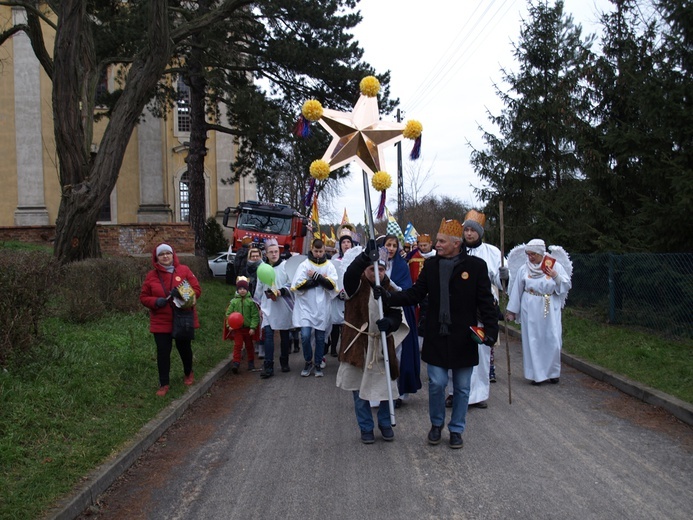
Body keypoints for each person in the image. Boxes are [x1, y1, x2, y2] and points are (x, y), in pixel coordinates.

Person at [376, 218, 499, 449]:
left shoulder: (475, 267)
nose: (437, 245)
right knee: (437, 383)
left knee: (462, 387)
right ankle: (436, 424)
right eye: (438, 241)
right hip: (436, 336)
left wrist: (491, 331)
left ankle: (456, 429)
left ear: (456, 243)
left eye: (441, 241)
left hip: (463, 338)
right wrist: (388, 295)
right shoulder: (431, 266)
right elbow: (415, 294)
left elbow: (485, 303)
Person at [336, 247, 409, 444]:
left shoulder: (390, 289)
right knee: (359, 390)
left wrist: (391, 324)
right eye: (372, 269)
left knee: (386, 388)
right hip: (358, 344)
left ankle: (385, 423)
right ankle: (366, 427)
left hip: (381, 344)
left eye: (382, 270)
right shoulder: (355, 284)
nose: (377, 273)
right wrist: (364, 257)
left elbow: (396, 314)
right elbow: (350, 273)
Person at [445, 210, 508, 409]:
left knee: (480, 352)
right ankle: (454, 392)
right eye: (467, 230)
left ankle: (479, 394)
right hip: (459, 308)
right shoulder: (456, 249)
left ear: (480, 233)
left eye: (473, 230)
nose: (469, 234)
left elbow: (502, 283)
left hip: (482, 308)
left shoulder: (493, 252)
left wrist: (504, 276)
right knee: (456, 350)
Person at [506, 239, 571, 385]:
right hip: (530, 305)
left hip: (548, 303)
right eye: (528, 254)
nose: (530, 257)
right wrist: (512, 311)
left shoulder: (556, 266)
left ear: (541, 253)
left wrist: (556, 276)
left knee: (551, 337)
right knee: (533, 339)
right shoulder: (525, 269)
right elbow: (517, 290)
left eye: (533, 254)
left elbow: (567, 285)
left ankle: (553, 372)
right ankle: (537, 374)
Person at [140, 243, 202, 397]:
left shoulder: (184, 270)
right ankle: (164, 383)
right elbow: (143, 297)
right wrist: (155, 302)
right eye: (162, 254)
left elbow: (197, 291)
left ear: (173, 254)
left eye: (168, 253)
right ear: (156, 258)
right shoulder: (151, 276)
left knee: (184, 348)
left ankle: (188, 372)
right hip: (161, 320)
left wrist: (182, 292)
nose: (165, 256)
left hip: (182, 317)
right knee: (163, 352)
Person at [382, 234, 421, 406]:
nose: (390, 248)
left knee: (398, 351)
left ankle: (397, 391)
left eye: (394, 245)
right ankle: (382, 390)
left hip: (399, 312)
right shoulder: (376, 265)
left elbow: (405, 289)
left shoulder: (402, 266)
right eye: (388, 245)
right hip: (380, 312)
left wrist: (387, 284)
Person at [291, 238, 338, 377]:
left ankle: (317, 364)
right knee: (305, 336)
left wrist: (315, 276)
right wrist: (320, 280)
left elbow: (332, 285)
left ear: (324, 251)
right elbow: (297, 285)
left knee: (319, 338)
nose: (318, 254)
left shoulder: (329, 266)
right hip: (306, 306)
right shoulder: (305, 265)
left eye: (321, 251)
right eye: (316, 251)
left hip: (322, 307)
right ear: (312, 250)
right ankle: (308, 361)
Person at [255, 239, 294, 378]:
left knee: (284, 335)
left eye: (276, 251)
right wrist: (259, 305)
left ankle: (284, 361)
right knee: (269, 336)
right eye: (271, 252)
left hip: (283, 305)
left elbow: (292, 284)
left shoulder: (285, 266)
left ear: (279, 251)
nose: (274, 254)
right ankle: (268, 366)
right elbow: (259, 288)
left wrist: (281, 291)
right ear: (266, 254)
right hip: (268, 307)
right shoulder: (263, 269)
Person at [326, 228, 355, 357]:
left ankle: (345, 349)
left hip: (351, 296)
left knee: (347, 325)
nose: (346, 244)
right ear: (340, 245)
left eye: (348, 242)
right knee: (335, 323)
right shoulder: (334, 260)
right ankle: (333, 347)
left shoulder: (356, 260)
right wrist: (337, 291)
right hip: (336, 295)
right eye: (344, 242)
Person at [226, 276, 260, 373]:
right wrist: (230, 325)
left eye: (244, 289)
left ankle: (251, 362)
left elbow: (254, 315)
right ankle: (236, 363)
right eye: (240, 289)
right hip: (238, 329)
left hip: (248, 329)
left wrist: (253, 327)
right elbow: (228, 315)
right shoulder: (233, 302)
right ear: (237, 290)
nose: (242, 291)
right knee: (238, 345)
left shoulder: (251, 302)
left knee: (249, 346)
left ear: (247, 290)